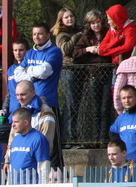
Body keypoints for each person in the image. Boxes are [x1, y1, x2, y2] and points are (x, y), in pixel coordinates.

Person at [14, 23, 63, 167]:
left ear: (48, 35)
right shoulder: (29, 53)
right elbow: (18, 74)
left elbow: (44, 72)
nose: (36, 37)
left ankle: (57, 179)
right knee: (32, 141)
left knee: (52, 146)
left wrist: (28, 71)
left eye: (40, 34)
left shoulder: (54, 51)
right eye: (34, 34)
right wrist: (33, 73)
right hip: (30, 105)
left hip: (48, 103)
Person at [72, 10, 113, 143]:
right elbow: (75, 53)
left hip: (107, 72)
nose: (96, 25)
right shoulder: (86, 37)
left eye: (97, 22)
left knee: (105, 108)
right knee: (95, 109)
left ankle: (104, 138)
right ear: (89, 24)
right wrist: (88, 49)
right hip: (93, 74)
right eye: (92, 23)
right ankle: (95, 139)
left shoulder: (108, 33)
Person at [5, 81, 57, 166]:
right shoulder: (19, 111)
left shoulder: (45, 113)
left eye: (23, 94)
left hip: (35, 162)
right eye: (17, 95)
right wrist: (7, 160)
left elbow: (46, 144)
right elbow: (12, 137)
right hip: (18, 161)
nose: (19, 98)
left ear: (33, 93)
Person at [51, 8, 82, 143]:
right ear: (61, 20)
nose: (70, 19)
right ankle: (68, 137)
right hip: (68, 70)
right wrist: (76, 37)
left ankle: (76, 134)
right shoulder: (61, 34)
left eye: (71, 16)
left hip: (80, 71)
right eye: (66, 17)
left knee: (78, 104)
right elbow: (66, 50)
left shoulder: (78, 31)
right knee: (71, 103)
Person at [0, 39, 29, 142]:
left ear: (27, 51)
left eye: (21, 50)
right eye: (15, 50)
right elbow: (9, 93)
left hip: (26, 116)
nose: (18, 53)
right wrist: (4, 109)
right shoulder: (11, 70)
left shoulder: (31, 68)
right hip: (11, 117)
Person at [7, 108, 50, 184]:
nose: (13, 125)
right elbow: (11, 166)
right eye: (13, 122)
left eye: (16, 122)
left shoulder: (39, 139)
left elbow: (43, 166)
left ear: (26, 122)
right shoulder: (15, 139)